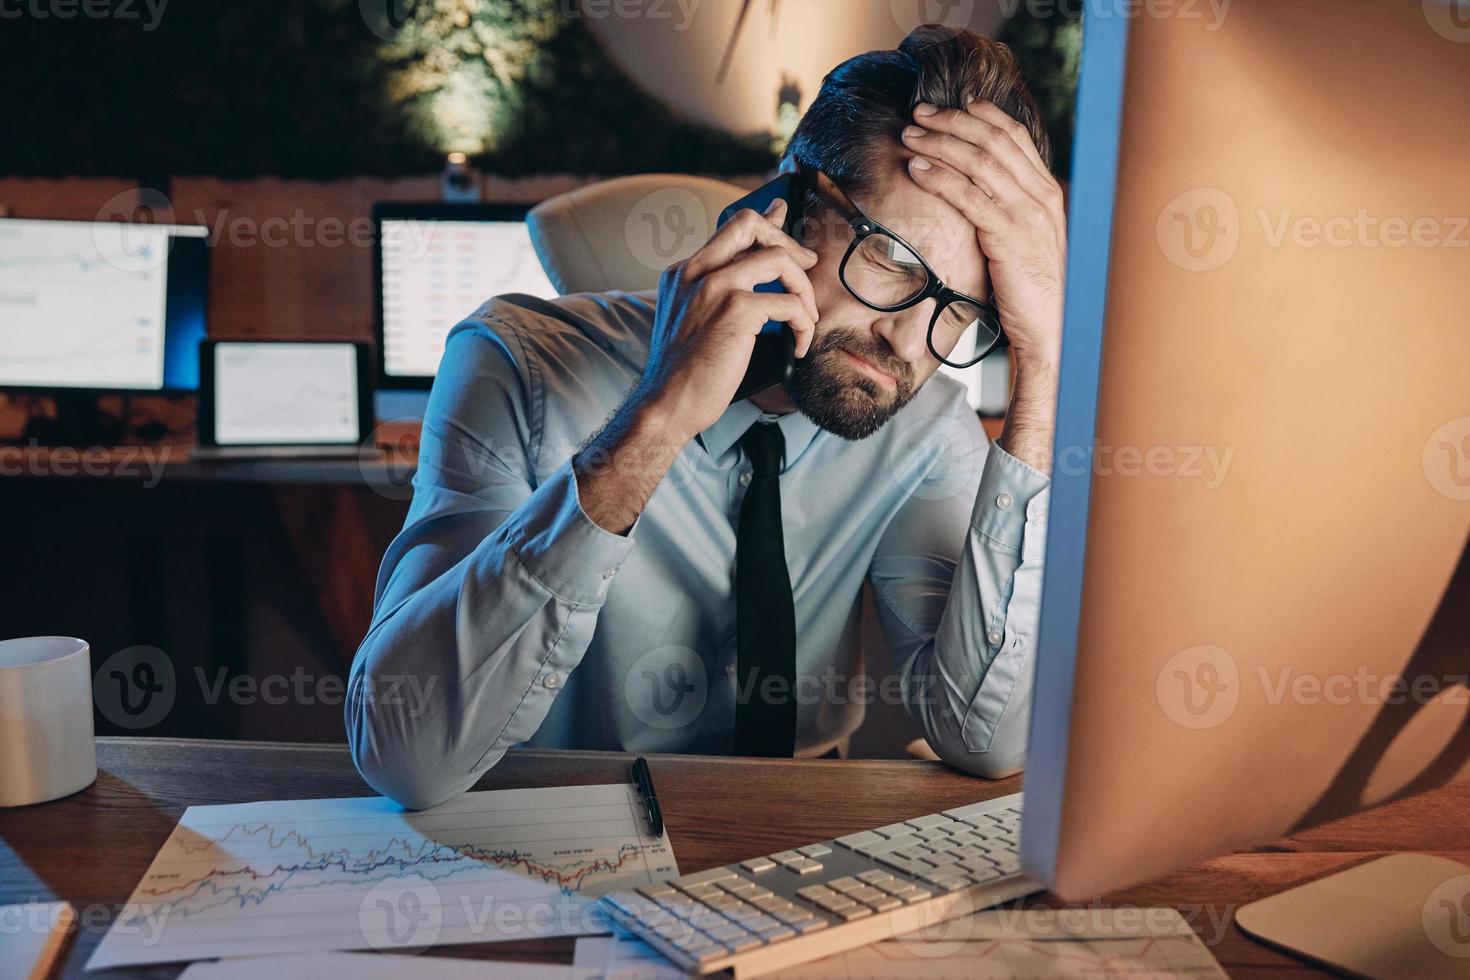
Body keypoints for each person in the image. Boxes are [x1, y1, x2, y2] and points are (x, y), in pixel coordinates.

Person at [348, 25, 1066, 809]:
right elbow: (403, 755)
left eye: (958, 309)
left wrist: (1047, 367)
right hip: (552, 831)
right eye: (893, 261)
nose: (906, 339)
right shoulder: (518, 363)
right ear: (786, 206)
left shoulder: (926, 426)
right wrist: (657, 419)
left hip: (795, 840)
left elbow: (984, 738)